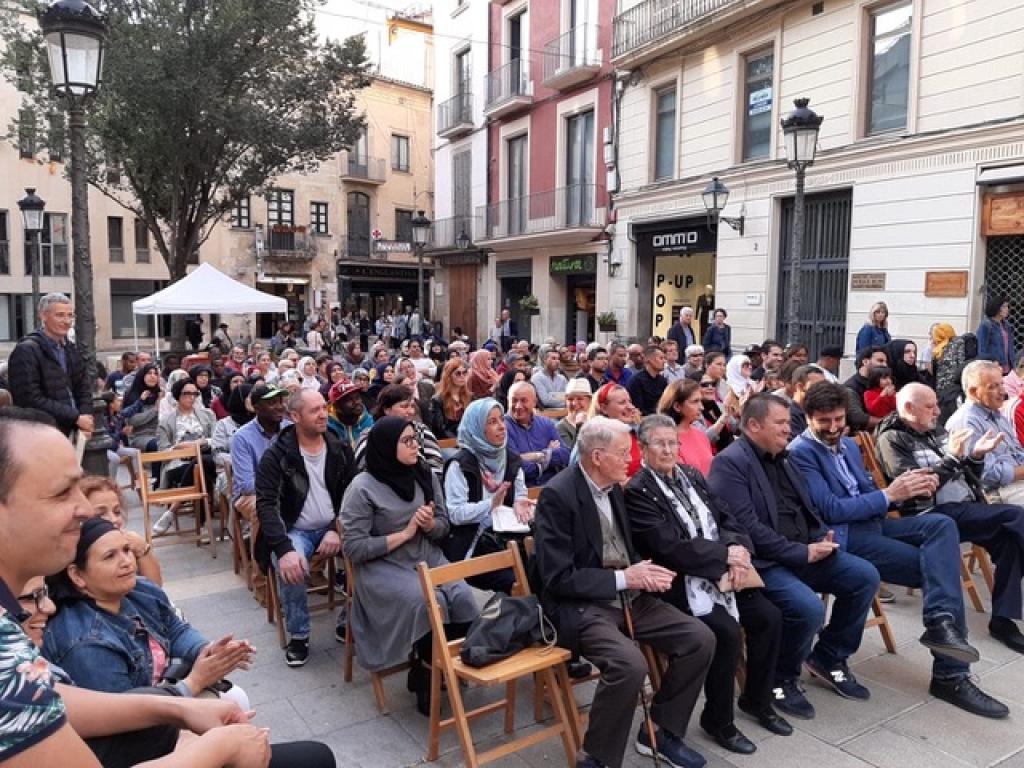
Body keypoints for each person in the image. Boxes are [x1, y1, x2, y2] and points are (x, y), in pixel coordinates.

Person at [0, 407, 333, 768]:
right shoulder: (70, 638)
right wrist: (214, 746)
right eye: (62, 493)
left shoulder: (131, 593)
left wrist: (177, 704)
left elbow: (52, 697)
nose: (84, 509)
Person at [789, 382, 1008, 718]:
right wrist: (890, 495)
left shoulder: (847, 446)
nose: (833, 428)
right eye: (824, 421)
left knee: (941, 526)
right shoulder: (801, 453)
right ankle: (950, 671)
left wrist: (905, 489)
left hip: (872, 524)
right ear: (808, 418)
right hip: (844, 535)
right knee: (940, 570)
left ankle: (941, 626)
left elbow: (867, 491)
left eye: (838, 419)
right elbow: (830, 510)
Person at [534, 416, 715, 768]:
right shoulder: (559, 495)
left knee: (700, 638)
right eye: (622, 452)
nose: (630, 459)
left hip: (629, 597)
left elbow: (621, 546)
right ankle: (597, 758)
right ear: (598, 456)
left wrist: (645, 574)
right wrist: (625, 578)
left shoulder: (615, 486)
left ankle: (659, 732)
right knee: (628, 664)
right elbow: (557, 577)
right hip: (584, 605)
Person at [706, 394, 880, 720]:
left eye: (789, 422)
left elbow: (806, 507)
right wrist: (802, 552)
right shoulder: (730, 463)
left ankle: (828, 656)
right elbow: (747, 529)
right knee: (807, 608)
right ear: (754, 425)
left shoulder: (783, 457)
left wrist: (818, 535)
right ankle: (781, 677)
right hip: (767, 562)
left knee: (864, 576)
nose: (790, 429)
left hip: (804, 552)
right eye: (782, 423)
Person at [626, 415, 790, 752]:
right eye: (660, 443)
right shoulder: (637, 491)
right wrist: (724, 557)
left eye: (673, 442)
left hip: (722, 574)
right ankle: (718, 720)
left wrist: (737, 549)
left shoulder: (691, 475)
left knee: (770, 618)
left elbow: (726, 517)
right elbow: (667, 547)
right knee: (726, 632)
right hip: (678, 583)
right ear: (643, 448)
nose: (669, 449)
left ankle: (758, 700)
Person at [341, 417, 478, 715]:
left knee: (464, 597)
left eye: (415, 437)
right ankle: (429, 673)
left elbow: (444, 524)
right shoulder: (362, 487)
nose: (416, 444)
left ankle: (429, 665)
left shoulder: (423, 473)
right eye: (407, 440)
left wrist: (429, 525)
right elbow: (353, 548)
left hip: (424, 555)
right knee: (428, 603)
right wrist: (403, 534)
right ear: (387, 447)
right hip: (382, 565)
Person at [877, 382, 1024, 654]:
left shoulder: (936, 431)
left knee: (1010, 541)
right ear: (909, 408)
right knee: (1017, 517)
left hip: (963, 507)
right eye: (930, 406)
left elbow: (967, 476)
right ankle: (1001, 621)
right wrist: (953, 458)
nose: (937, 411)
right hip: (930, 515)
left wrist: (977, 455)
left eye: (936, 404)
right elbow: (916, 490)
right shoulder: (892, 439)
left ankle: (1003, 621)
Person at [44, 516, 254, 702]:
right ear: (77, 576)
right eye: (110, 556)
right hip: (134, 730)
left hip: (163, 694)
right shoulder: (85, 643)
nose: (126, 562)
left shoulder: (139, 590)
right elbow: (123, 716)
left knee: (235, 698)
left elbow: (174, 629)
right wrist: (195, 681)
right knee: (229, 710)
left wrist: (207, 651)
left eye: (126, 550)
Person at [255, 389, 352, 666]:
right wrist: (284, 549)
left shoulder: (339, 448)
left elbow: (352, 494)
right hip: (294, 529)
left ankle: (350, 619)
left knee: (369, 554)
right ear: (295, 416)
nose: (323, 414)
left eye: (324, 408)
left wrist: (338, 527)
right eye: (315, 410)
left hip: (334, 525)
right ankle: (299, 634)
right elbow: (267, 506)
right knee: (292, 566)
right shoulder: (277, 456)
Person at [441, 398, 533, 591]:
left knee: (540, 569)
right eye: (492, 422)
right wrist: (491, 504)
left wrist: (519, 502)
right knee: (516, 580)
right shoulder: (461, 465)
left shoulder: (510, 458)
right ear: (476, 428)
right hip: (474, 547)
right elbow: (456, 514)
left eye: (501, 420)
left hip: (508, 538)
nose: (502, 427)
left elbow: (520, 492)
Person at [7, 293, 93, 438]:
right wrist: (76, 418)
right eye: (59, 315)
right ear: (43, 316)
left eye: (70, 315)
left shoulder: (71, 349)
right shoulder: (26, 350)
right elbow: (29, 399)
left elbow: (83, 388)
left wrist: (85, 418)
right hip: (40, 433)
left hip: (72, 430)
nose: (66, 321)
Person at [947, 360, 1024, 505]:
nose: (1003, 392)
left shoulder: (996, 413)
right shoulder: (965, 422)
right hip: (994, 493)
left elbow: (1016, 452)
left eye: (1002, 384)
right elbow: (985, 474)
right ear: (973, 392)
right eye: (993, 387)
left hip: (1015, 485)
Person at [152, 377, 218, 537]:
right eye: (187, 393)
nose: (192, 397)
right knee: (201, 469)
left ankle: (173, 510)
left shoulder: (207, 415)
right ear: (177, 395)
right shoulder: (166, 421)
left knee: (200, 465)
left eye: (195, 393)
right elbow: (162, 452)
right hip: (177, 463)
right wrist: (179, 447)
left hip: (204, 456)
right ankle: (202, 526)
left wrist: (202, 442)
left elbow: (217, 439)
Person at [80, 476, 163, 585]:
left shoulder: (128, 543)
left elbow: (156, 588)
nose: (114, 519)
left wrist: (143, 550)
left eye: (117, 512)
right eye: (100, 514)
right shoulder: (79, 553)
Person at [353, 384, 443, 473]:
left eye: (412, 406)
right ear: (387, 409)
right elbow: (362, 470)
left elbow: (436, 464)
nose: (411, 411)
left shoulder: (421, 430)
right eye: (404, 406)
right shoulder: (369, 437)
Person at [504, 382, 570, 487]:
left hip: (550, 489)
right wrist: (548, 453)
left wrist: (534, 457)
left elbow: (565, 455)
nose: (518, 406)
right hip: (522, 493)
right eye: (514, 400)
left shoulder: (546, 423)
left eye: (524, 400)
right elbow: (518, 468)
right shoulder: (503, 428)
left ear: (534, 402)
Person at [657, 379, 714, 476]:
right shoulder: (666, 441)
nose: (701, 407)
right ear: (677, 406)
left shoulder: (701, 435)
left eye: (700, 401)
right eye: (695, 401)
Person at [589, 382, 642, 477]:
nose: (631, 407)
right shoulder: (591, 440)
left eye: (629, 401)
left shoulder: (636, 433)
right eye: (622, 402)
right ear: (604, 408)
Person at [119, 363, 163, 454]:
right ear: (142, 376)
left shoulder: (161, 394)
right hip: (140, 436)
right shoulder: (133, 395)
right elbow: (132, 421)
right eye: (149, 373)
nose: (153, 376)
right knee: (156, 444)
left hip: (161, 433)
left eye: (155, 374)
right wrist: (155, 410)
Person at [844, 345, 889, 432]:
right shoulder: (850, 388)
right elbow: (857, 417)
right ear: (865, 361)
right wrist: (887, 423)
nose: (885, 365)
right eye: (880, 361)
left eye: (886, 362)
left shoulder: (881, 384)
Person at [428, 358, 470, 439]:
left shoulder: (470, 397)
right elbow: (440, 429)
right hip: (447, 442)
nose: (462, 376)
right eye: (458, 373)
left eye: (465, 373)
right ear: (449, 376)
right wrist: (458, 441)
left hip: (467, 440)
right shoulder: (437, 400)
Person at [327, 381, 374, 448]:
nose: (357, 402)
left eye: (357, 397)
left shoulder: (370, 423)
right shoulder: (329, 429)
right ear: (337, 406)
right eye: (349, 400)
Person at [626, 345, 668, 416]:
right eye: (661, 358)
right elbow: (638, 407)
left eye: (664, 358)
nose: (664, 361)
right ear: (649, 360)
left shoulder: (662, 380)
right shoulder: (636, 381)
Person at [788, 364, 827, 438]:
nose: (823, 390)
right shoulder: (789, 415)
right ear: (799, 387)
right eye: (817, 386)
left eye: (824, 386)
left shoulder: (817, 411)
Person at [557, 378, 592, 449]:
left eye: (579, 398)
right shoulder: (561, 427)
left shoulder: (596, 422)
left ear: (589, 401)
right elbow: (571, 455)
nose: (574, 403)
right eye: (570, 399)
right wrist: (579, 427)